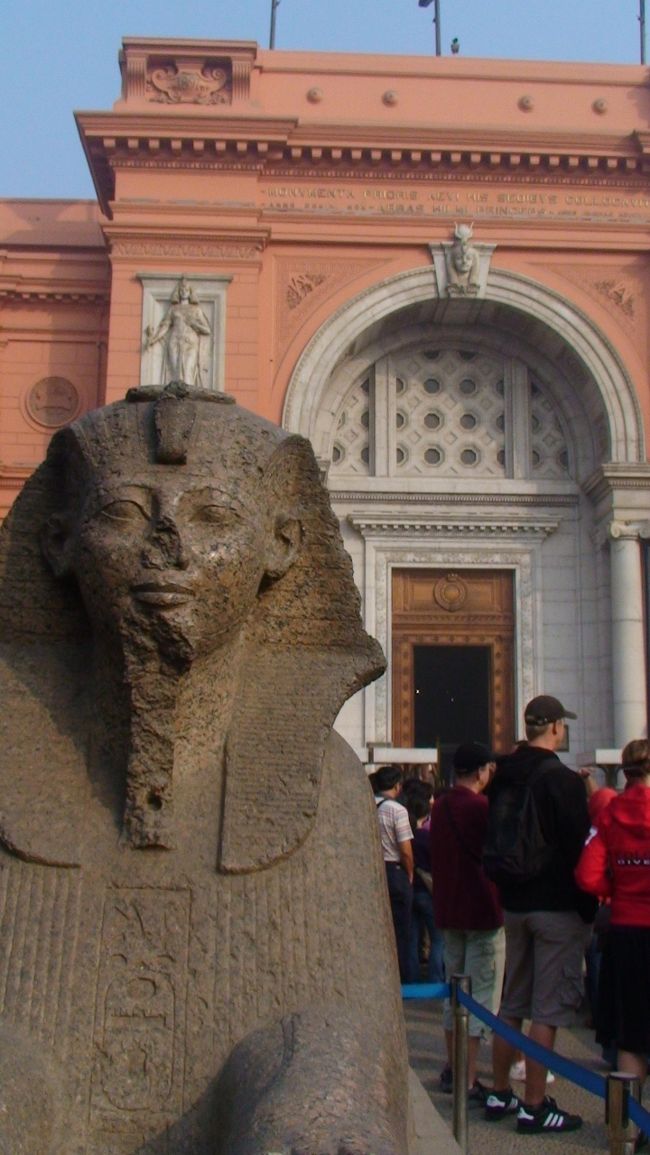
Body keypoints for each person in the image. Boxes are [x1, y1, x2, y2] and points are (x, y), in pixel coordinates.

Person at [0, 384, 410, 1155]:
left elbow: (341, 1031)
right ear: (58, 542)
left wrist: (316, 1093)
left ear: (280, 546)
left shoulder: (319, 780)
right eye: (125, 511)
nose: (169, 543)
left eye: (213, 515)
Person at [486, 695, 597, 1134]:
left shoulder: (502, 774)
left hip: (514, 904)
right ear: (553, 727)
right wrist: (587, 906)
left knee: (512, 1004)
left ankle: (499, 1091)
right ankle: (534, 1105)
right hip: (555, 907)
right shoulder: (562, 780)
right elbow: (578, 846)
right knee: (546, 1011)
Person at [575, 738, 650, 1151]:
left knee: (630, 1035)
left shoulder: (611, 813)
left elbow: (587, 876)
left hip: (625, 931)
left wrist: (617, 890)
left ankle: (625, 1130)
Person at [430, 741, 504, 1100]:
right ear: (481, 771)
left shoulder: (440, 806)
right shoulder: (483, 808)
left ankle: (454, 1066)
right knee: (480, 997)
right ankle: (468, 1077)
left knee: (454, 994)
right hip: (482, 911)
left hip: (449, 910)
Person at [370, 764, 414, 982]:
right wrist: (410, 873)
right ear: (397, 786)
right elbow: (405, 850)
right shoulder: (397, 810)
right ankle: (402, 977)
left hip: (372, 870)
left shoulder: (366, 805)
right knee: (401, 930)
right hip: (394, 870)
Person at [403, 780, 445, 984]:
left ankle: (411, 979)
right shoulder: (429, 837)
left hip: (410, 890)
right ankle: (436, 979)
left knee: (411, 939)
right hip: (428, 893)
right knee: (438, 938)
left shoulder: (407, 838)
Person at [145, 276, 211, 386]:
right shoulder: (173, 309)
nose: (184, 292)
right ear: (178, 292)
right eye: (182, 290)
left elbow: (207, 330)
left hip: (190, 342)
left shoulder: (196, 310)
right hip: (174, 341)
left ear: (190, 292)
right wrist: (153, 339)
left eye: (186, 290)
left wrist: (194, 324)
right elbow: (165, 327)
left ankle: (189, 395)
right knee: (175, 372)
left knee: (188, 369)